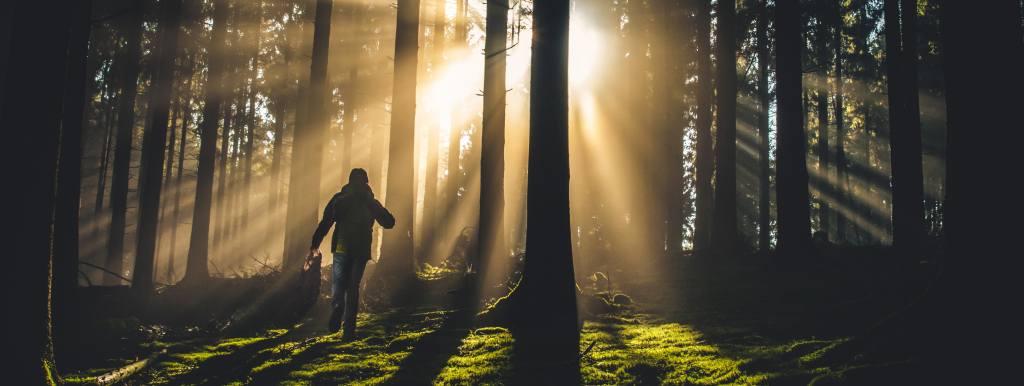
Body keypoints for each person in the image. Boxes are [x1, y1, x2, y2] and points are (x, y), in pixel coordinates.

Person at [311, 168, 395, 339]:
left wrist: (315, 244)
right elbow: (389, 223)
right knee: (353, 288)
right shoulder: (371, 202)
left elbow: (326, 222)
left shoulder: (340, 199)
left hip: (342, 246)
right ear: (366, 182)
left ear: (349, 181)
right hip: (361, 249)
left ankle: (338, 305)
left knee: (339, 283)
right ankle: (349, 330)